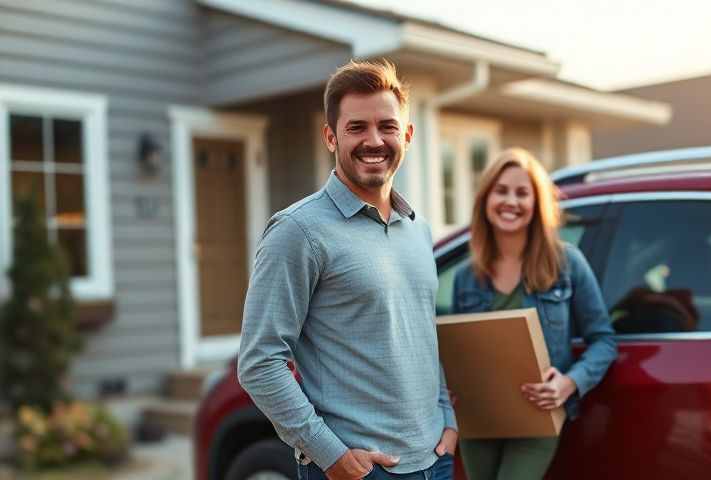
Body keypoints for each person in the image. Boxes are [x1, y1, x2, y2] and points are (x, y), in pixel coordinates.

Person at [237, 60, 457, 480]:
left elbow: (422, 334)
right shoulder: (298, 230)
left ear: (407, 136)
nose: (374, 140)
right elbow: (259, 362)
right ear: (330, 136)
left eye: (387, 127)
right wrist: (331, 455)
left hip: (434, 460)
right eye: (357, 127)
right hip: (358, 470)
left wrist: (446, 415)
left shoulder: (418, 229)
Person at [450, 148, 617, 480]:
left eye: (522, 193)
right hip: (480, 417)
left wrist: (569, 383)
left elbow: (604, 341)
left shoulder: (566, 264)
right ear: (486, 199)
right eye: (501, 191)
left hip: (538, 416)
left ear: (536, 203)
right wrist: (452, 384)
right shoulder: (466, 276)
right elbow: (460, 350)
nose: (510, 201)